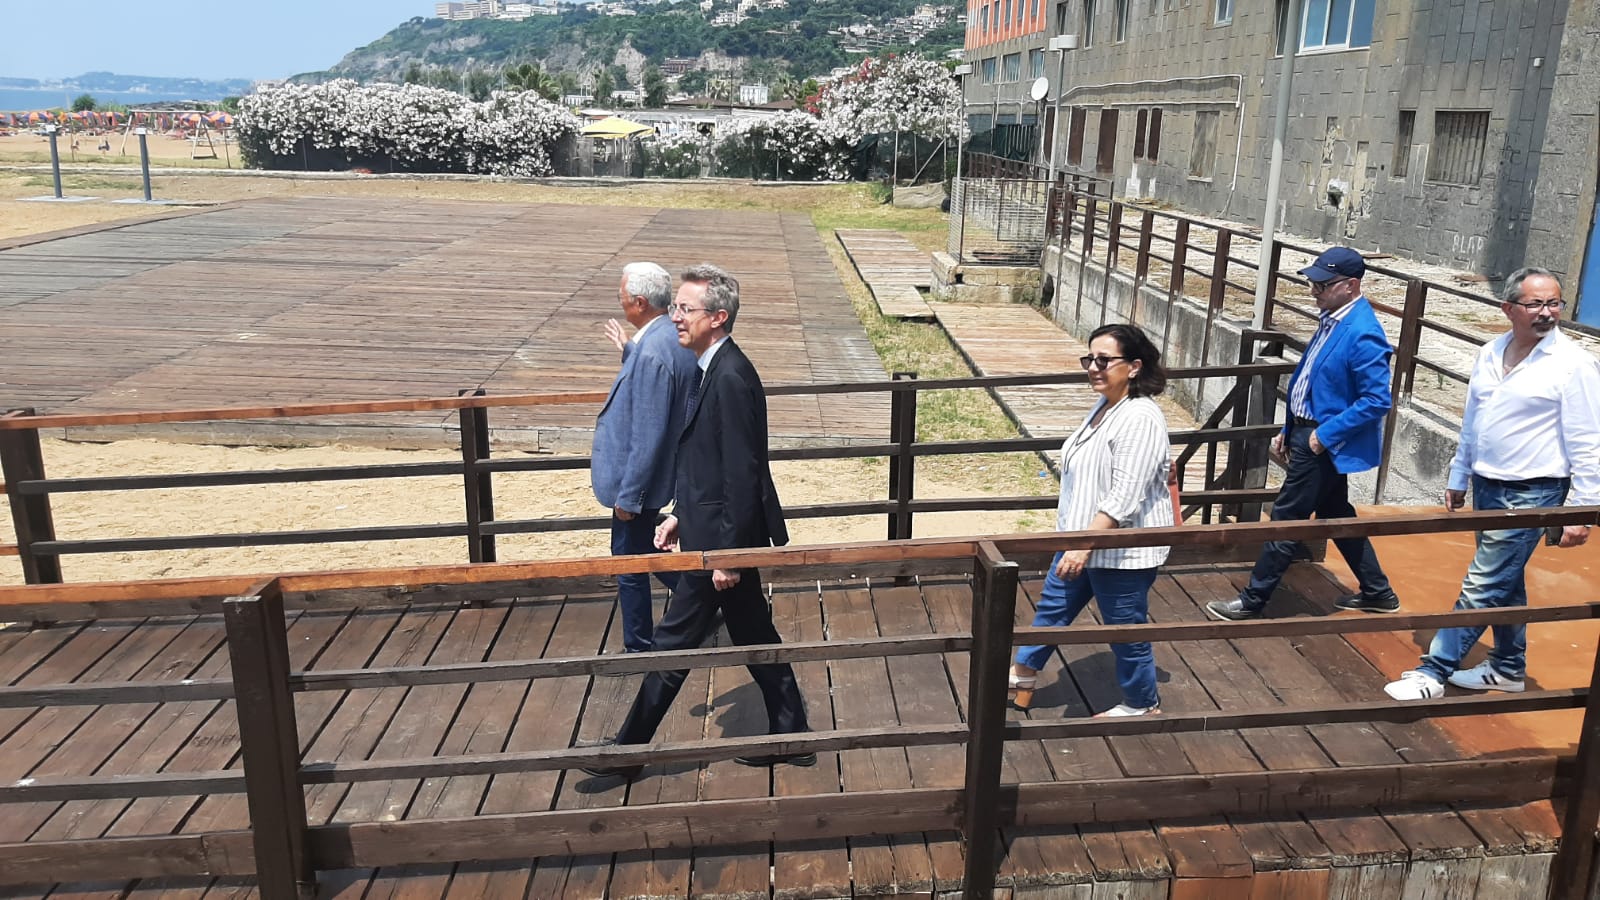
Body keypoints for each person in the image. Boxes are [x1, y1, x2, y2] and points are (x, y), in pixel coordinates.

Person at [584, 263, 811, 779]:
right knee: (754, 635)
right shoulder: (713, 366)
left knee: (671, 646)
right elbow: (711, 465)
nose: (676, 318)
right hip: (712, 533)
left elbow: (741, 473)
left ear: (718, 317)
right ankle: (793, 734)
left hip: (722, 545)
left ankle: (626, 754)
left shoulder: (730, 376)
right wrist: (683, 517)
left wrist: (726, 553)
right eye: (678, 307)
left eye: (686, 310)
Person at [1385, 268, 1599, 700]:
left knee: (1483, 584)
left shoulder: (1574, 364)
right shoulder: (1489, 352)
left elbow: (1589, 438)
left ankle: (1433, 670)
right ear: (1508, 308)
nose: (1547, 313)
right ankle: (1506, 667)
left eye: (1554, 303)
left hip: (1534, 491)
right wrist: (1459, 473)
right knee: (1505, 580)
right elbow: (1474, 422)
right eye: (1535, 304)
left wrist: (1584, 508)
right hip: (1488, 484)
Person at [1206, 246, 1402, 621]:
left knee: (1286, 518)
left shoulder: (1362, 332)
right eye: (1312, 284)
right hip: (1307, 432)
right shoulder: (1333, 317)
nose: (1314, 291)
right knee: (1335, 512)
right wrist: (1289, 426)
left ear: (1350, 286)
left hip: (1324, 441)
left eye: (1322, 285)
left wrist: (1323, 435)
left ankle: (1252, 600)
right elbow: (1309, 381)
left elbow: (1377, 400)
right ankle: (1378, 592)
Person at [1008, 324, 1175, 717]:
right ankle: (1023, 671)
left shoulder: (1139, 417)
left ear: (1134, 366)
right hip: (1080, 539)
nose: (1094, 367)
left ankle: (1141, 701)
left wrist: (1084, 545)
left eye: (1104, 360)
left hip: (1118, 548)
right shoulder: (1105, 406)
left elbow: (1125, 496)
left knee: (1122, 629)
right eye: (1089, 359)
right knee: (1052, 609)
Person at [591, 262, 699, 653]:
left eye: (621, 296)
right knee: (648, 550)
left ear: (638, 302)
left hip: (638, 482)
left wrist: (628, 497)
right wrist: (630, 351)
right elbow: (660, 381)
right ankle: (702, 600)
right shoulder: (669, 335)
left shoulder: (653, 351)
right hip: (657, 473)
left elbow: (648, 430)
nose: (619, 302)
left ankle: (638, 644)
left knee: (628, 562)